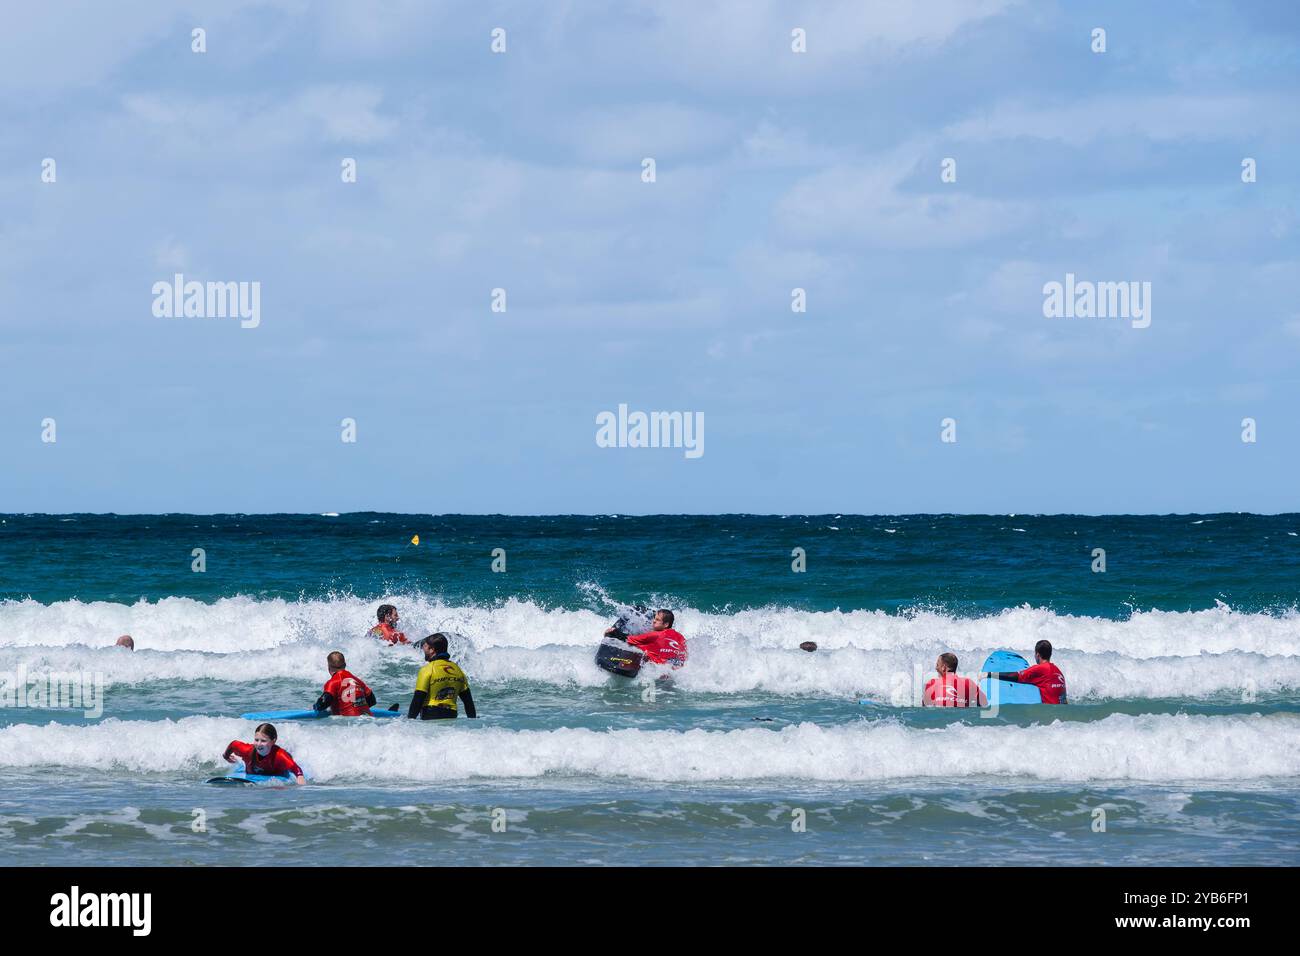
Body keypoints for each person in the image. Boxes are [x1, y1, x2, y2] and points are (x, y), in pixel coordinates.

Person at [407, 633, 477, 720]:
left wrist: (409, 721)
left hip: (430, 714)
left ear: (432, 649)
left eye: (425, 646)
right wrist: (473, 722)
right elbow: (468, 702)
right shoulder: (457, 670)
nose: (423, 648)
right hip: (451, 715)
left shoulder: (427, 669)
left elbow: (418, 699)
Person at [984, 639, 1068, 704]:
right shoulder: (1058, 672)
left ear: (1037, 655)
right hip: (1061, 716)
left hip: (1049, 715)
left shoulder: (1040, 669)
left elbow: (1015, 676)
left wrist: (989, 674)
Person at [223, 723, 306, 784]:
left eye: (263, 741)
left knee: (288, 757)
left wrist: (300, 779)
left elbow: (297, 770)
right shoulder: (247, 750)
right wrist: (226, 756)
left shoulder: (280, 756)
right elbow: (233, 744)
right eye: (256, 740)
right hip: (253, 774)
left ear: (273, 741)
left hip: (279, 773)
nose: (258, 744)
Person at [605, 609, 687, 667]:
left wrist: (613, 632)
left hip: (656, 669)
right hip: (673, 667)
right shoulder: (681, 637)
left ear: (666, 624)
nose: (654, 621)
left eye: (657, 620)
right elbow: (683, 655)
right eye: (654, 618)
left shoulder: (655, 635)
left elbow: (628, 639)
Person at [314, 651, 375, 716]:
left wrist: (315, 707)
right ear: (345, 665)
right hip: (368, 719)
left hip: (348, 722)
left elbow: (323, 703)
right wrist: (357, 708)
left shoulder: (333, 682)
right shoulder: (357, 680)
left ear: (329, 667)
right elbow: (372, 700)